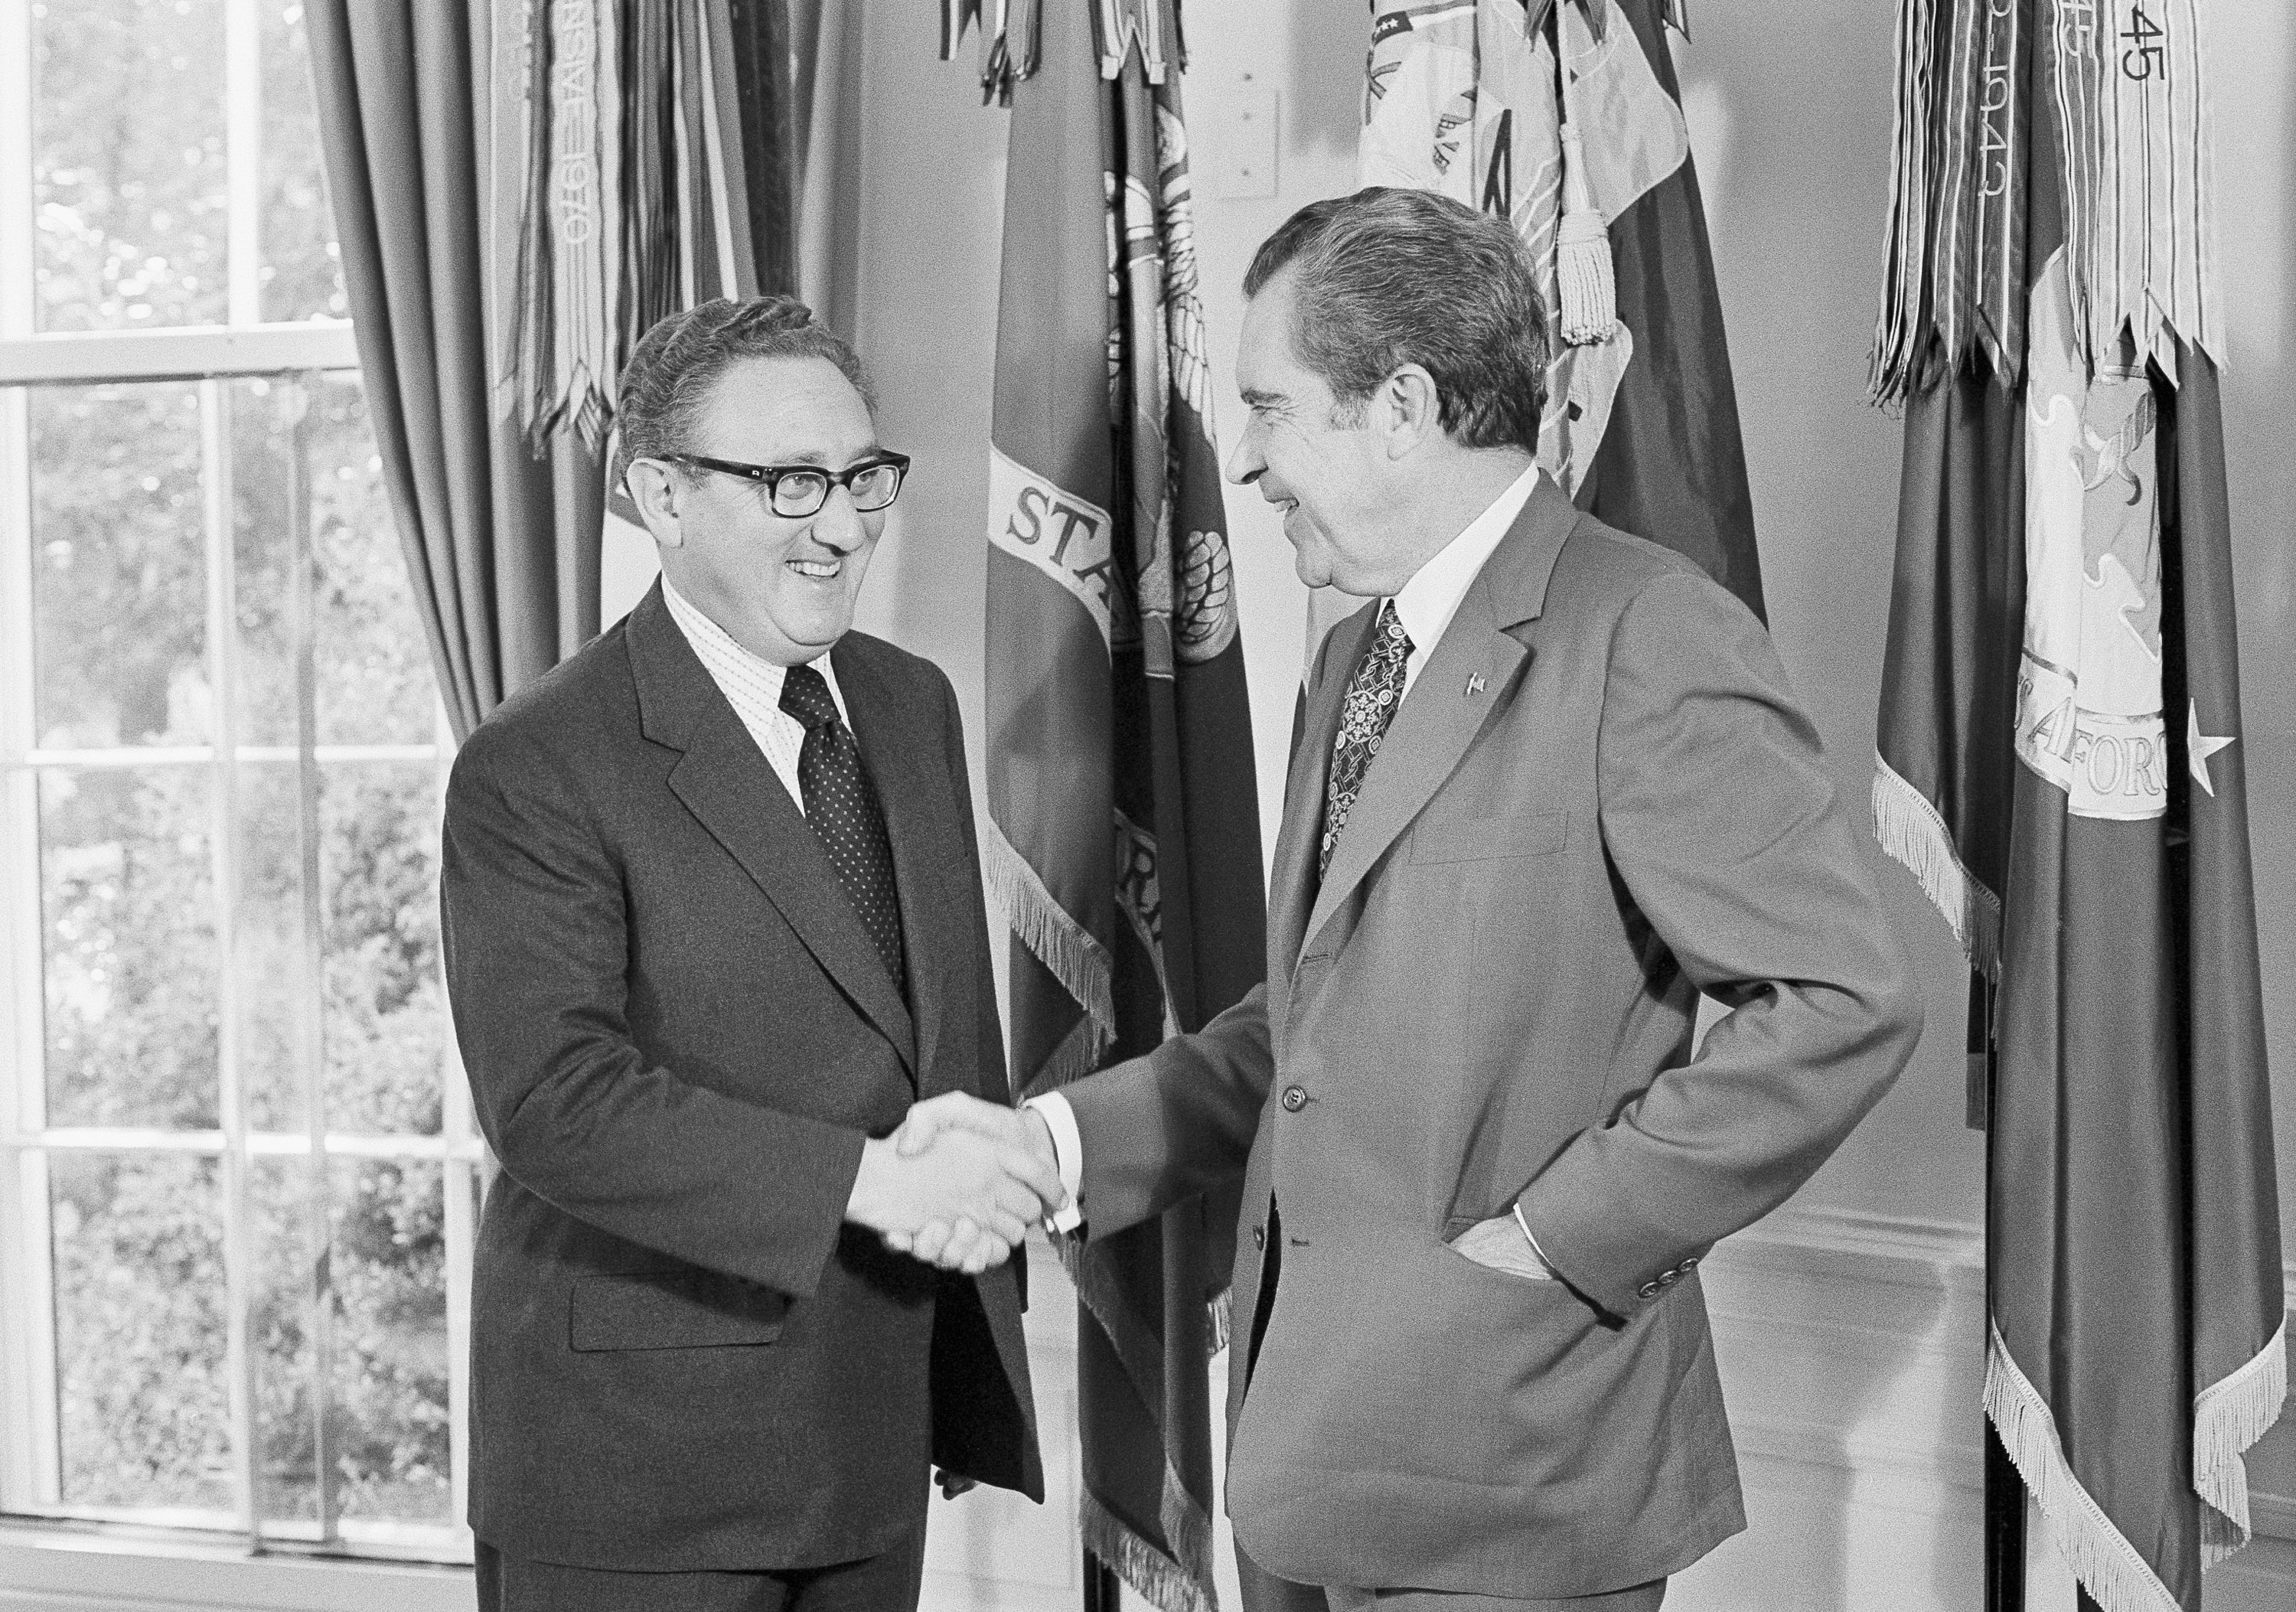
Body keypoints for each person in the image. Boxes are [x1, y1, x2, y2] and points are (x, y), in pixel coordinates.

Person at [897, 188, 1926, 1610]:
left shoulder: (1647, 632)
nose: (1242, 458)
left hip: (1514, 1479)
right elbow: (1306, 1029)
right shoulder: (1352, 660)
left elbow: (1839, 1002)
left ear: (1403, 406)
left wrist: (1559, 1237)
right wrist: (1053, 1143)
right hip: (1309, 1465)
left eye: (1268, 406)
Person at [439, 295, 1064, 1612]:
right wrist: (869, 1181)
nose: (841, 526)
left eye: (860, 477)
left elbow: (935, 1038)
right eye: (788, 483)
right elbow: (555, 1104)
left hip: (874, 1432)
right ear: (660, 494)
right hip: (636, 1474)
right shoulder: (537, 761)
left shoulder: (909, 703)